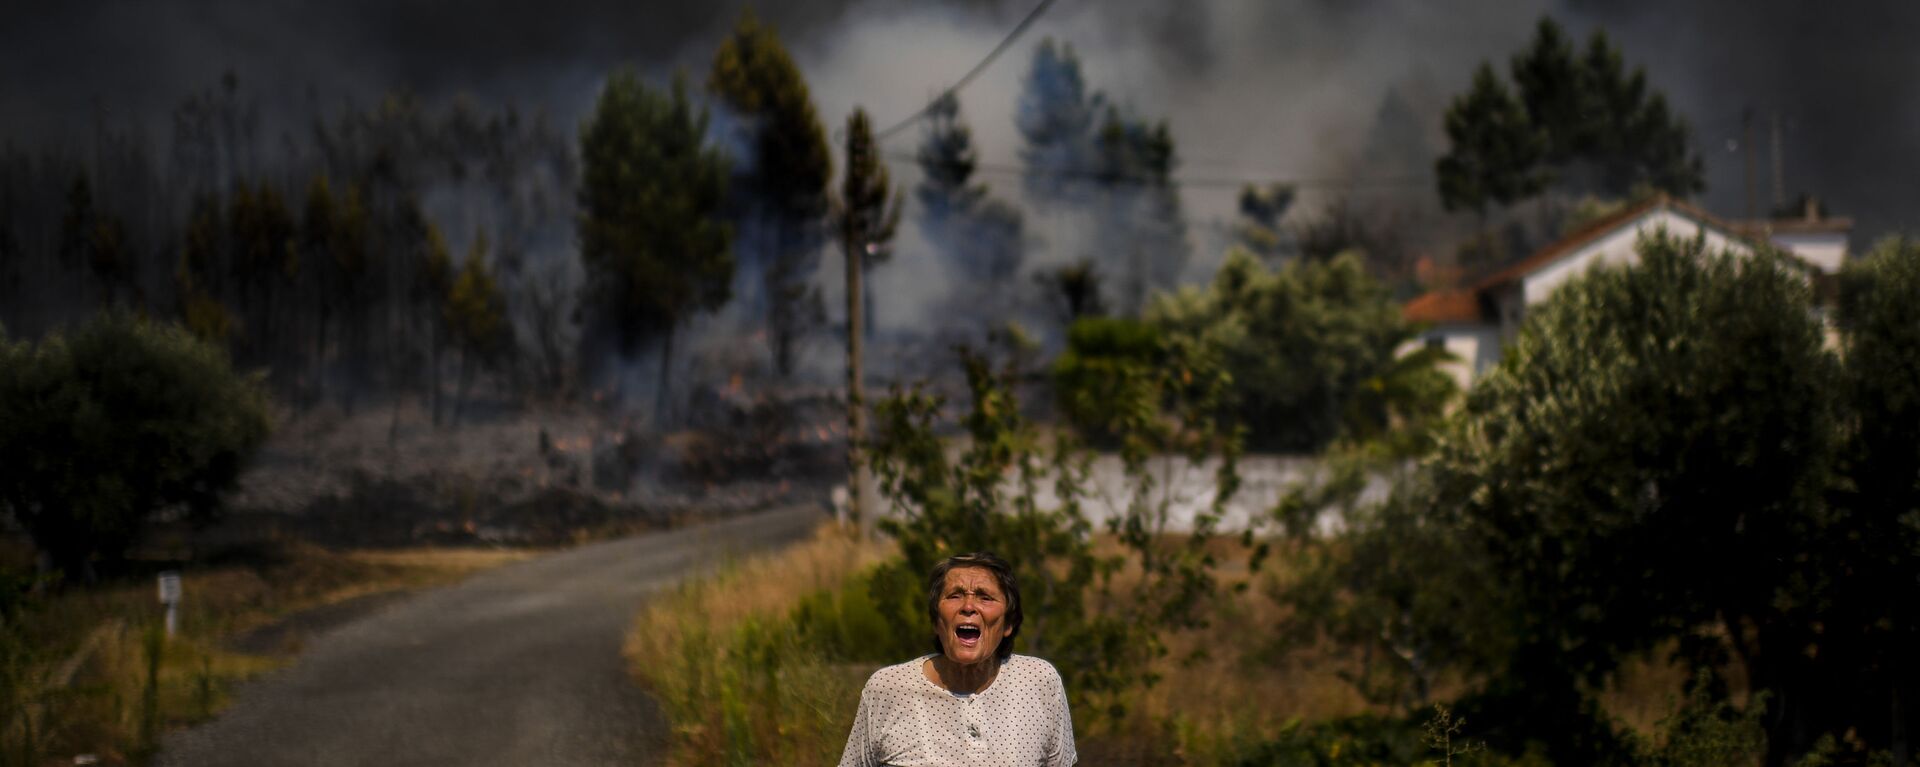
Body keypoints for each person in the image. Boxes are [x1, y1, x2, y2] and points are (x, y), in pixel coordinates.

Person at [837, 552, 1077, 766]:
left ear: (1008, 624)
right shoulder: (888, 688)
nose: (969, 606)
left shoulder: (1039, 682)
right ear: (935, 621)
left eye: (985, 597)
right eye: (955, 595)